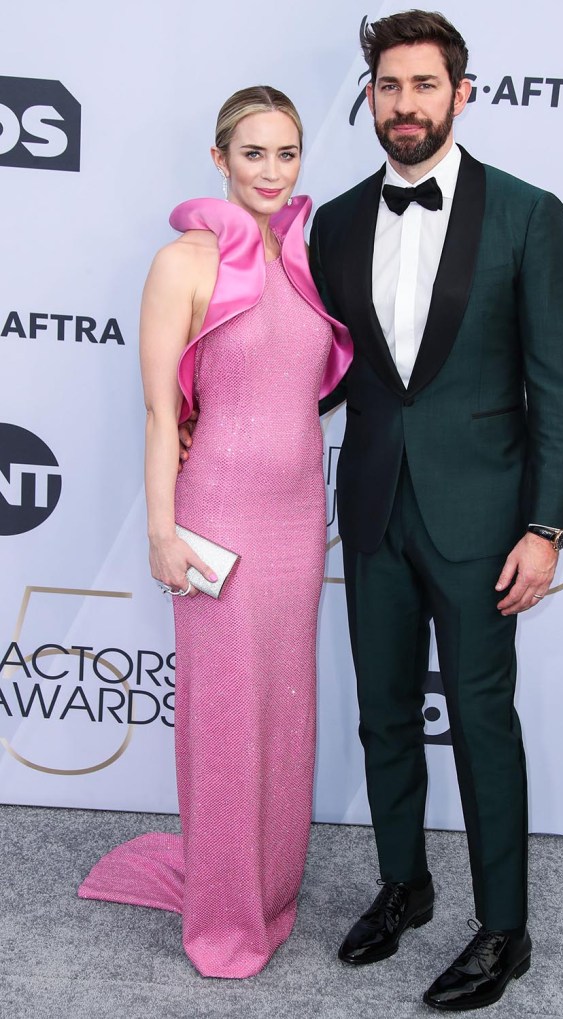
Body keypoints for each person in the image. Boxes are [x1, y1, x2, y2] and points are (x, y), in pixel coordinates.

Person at [308, 11, 563, 1012]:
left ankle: (502, 928)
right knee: (382, 710)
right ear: (370, 96)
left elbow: (555, 384)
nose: (405, 105)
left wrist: (544, 525)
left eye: (424, 86)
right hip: (373, 503)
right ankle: (404, 883)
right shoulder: (333, 220)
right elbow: (329, 371)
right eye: (389, 86)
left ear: (460, 94)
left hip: (482, 519)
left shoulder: (525, 213)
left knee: (477, 721)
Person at [77, 86, 352, 979]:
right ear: (219, 159)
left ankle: (268, 895)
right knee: (226, 720)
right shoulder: (183, 262)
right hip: (218, 519)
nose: (271, 172)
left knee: (286, 713)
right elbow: (163, 414)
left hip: (299, 518)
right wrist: (162, 529)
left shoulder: (307, 259)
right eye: (253, 154)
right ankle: (226, 919)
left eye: (287, 154)